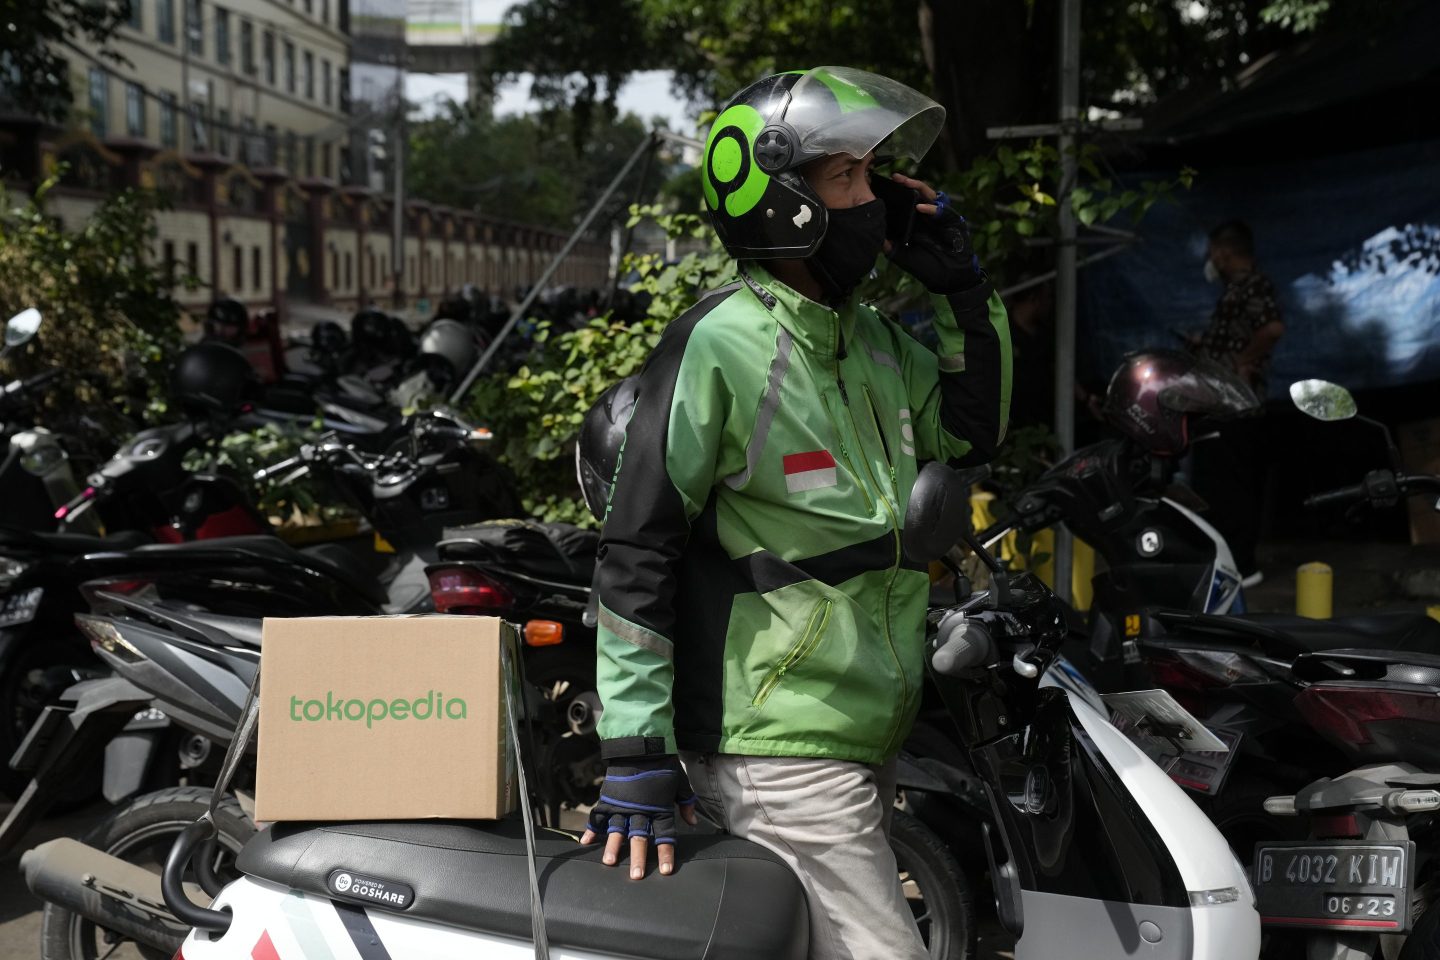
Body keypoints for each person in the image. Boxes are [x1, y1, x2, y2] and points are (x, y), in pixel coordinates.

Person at [579, 66, 1011, 959]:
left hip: (864, 720)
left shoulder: (876, 342)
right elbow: (638, 550)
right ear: (783, 204)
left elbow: (973, 433)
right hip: (773, 732)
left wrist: (962, 292)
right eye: (848, 178)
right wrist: (632, 749)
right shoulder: (721, 345)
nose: (876, 202)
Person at [1186, 219, 1284, 582]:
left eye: (1214, 251)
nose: (1212, 259)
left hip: (1237, 407)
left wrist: (1242, 361)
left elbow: (1272, 329)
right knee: (1215, 486)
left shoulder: (1253, 285)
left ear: (1225, 252)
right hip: (1219, 404)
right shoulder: (1237, 289)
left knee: (1233, 487)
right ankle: (1224, 561)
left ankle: (1242, 565)